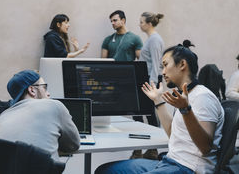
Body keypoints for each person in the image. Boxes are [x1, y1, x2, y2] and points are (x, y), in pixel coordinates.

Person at [95, 40, 225, 174]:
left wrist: (186, 110)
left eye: (165, 65)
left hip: (188, 168)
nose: (162, 72)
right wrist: (157, 100)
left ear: (182, 64)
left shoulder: (203, 97)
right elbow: (173, 134)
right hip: (170, 162)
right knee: (105, 170)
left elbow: (205, 147)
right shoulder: (185, 96)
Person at [0, 70, 80, 161]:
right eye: (44, 87)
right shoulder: (54, 105)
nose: (48, 93)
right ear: (32, 90)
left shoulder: (1, 118)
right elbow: (73, 145)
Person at [130, 12, 165, 160]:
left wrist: (152, 85)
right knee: (139, 112)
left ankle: (152, 149)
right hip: (146, 81)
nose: (140, 24)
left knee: (149, 114)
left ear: (149, 24)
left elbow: (156, 64)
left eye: (142, 22)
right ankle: (142, 149)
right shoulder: (151, 39)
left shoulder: (155, 40)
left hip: (150, 82)